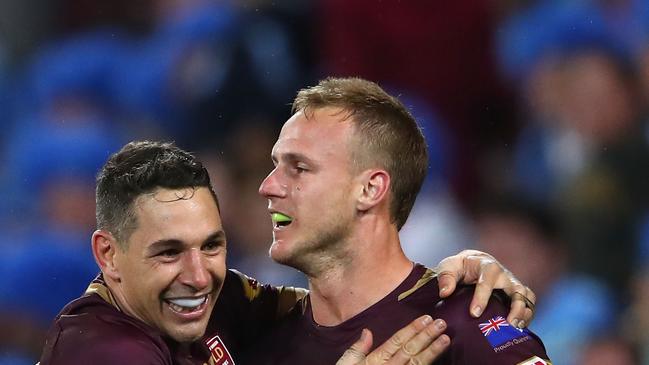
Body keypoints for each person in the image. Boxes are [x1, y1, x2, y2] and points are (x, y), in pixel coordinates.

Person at [39, 141, 535, 364]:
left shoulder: (218, 298)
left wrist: (454, 272)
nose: (197, 275)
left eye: (212, 245)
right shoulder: (101, 349)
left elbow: (342, 302)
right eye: (168, 252)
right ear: (107, 255)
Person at [244, 77, 550, 364]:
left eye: (298, 167)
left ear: (370, 189)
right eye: (276, 165)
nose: (268, 186)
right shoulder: (260, 338)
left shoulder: (463, 321)